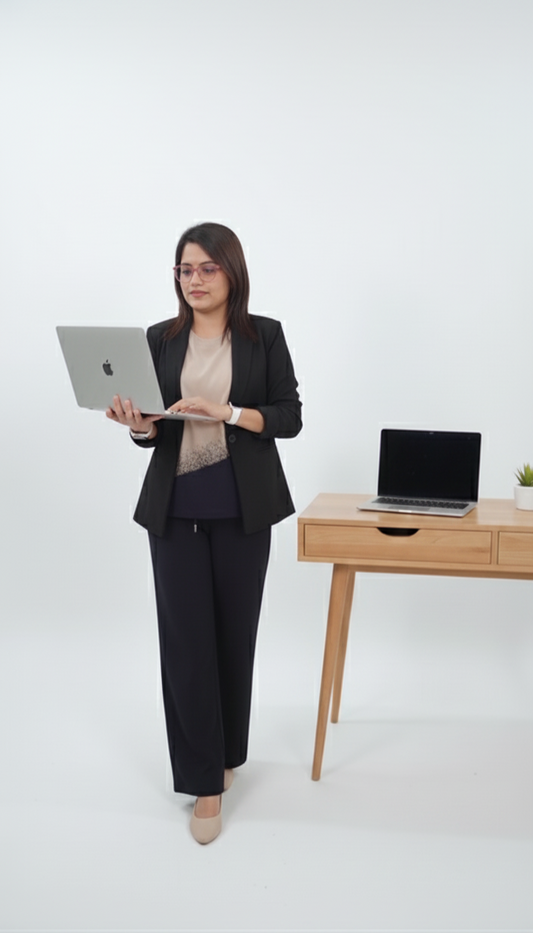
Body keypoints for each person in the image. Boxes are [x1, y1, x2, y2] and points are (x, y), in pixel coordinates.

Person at [106, 223, 302, 844]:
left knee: (232, 642)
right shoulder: (159, 340)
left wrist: (229, 413)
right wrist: (137, 425)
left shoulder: (263, 335)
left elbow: (289, 417)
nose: (193, 280)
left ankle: (226, 754)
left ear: (231, 272)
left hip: (244, 511)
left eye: (205, 269)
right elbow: (154, 431)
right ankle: (204, 785)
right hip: (176, 512)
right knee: (187, 646)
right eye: (184, 270)